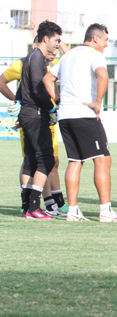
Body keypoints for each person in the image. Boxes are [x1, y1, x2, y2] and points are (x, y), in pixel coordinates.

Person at [43, 23, 117, 222]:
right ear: (95, 38)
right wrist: (98, 102)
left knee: (75, 161)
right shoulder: (95, 55)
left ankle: (73, 211)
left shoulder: (68, 56)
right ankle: (106, 212)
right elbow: (103, 75)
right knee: (103, 160)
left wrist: (59, 100)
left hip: (66, 115)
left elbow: (47, 79)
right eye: (105, 40)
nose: (106, 45)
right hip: (84, 114)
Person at [1, 41, 66, 216]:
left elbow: (68, 57)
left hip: (46, 117)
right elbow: (2, 82)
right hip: (36, 115)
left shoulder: (51, 63)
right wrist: (18, 103)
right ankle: (31, 204)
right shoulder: (23, 63)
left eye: (57, 45)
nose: (55, 50)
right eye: (54, 43)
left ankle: (46, 204)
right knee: (37, 160)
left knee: (49, 161)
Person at [18, 21, 62, 219]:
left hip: (29, 113)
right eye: (56, 40)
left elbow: (22, 89)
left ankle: (27, 207)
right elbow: (38, 88)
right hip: (35, 113)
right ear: (46, 39)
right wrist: (51, 108)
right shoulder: (37, 58)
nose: (58, 43)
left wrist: (20, 107)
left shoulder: (30, 57)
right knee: (46, 159)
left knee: (31, 161)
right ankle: (34, 207)